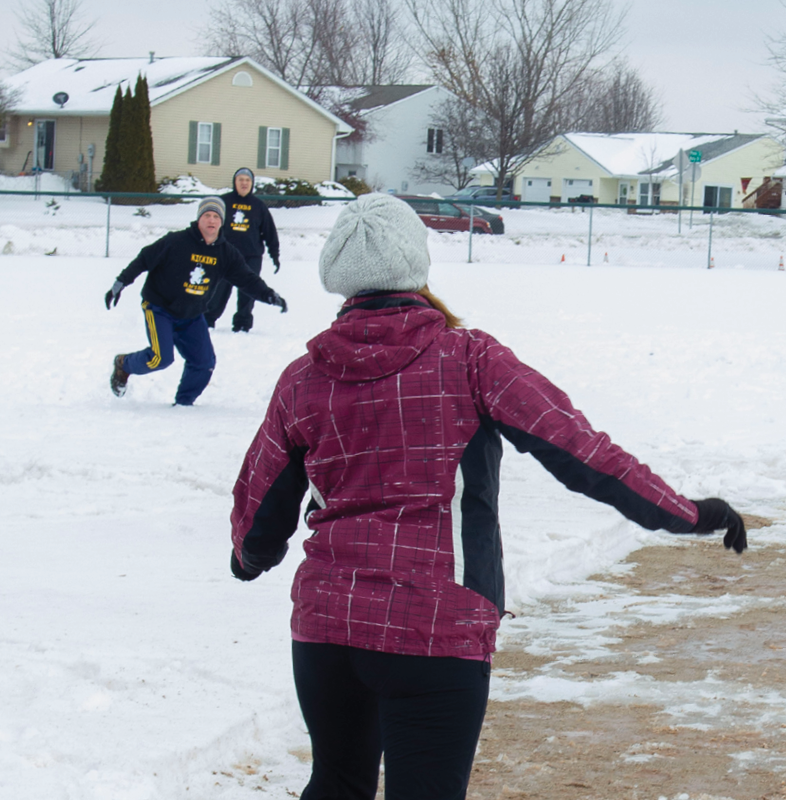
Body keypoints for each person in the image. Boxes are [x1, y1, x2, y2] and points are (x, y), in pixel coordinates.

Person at [226, 193, 748, 800]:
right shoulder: (469, 358)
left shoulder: (304, 378)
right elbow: (577, 447)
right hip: (435, 627)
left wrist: (249, 557)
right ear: (416, 267)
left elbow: (261, 497)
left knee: (337, 784)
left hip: (328, 631)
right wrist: (683, 513)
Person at [105, 196, 288, 406]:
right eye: (207, 215)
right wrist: (120, 283)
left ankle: (183, 404)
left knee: (204, 363)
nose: (211, 220)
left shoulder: (226, 253)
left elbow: (247, 279)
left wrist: (269, 295)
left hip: (191, 315)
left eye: (216, 216)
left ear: (222, 221)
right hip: (159, 307)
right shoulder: (176, 241)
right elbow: (144, 259)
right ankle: (123, 364)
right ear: (199, 219)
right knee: (160, 358)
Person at [205, 167, 282, 332]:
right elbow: (209, 226)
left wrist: (274, 255)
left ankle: (242, 323)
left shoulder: (259, 206)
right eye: (241, 180)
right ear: (235, 182)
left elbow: (269, 232)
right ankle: (208, 321)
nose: (244, 183)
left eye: (247, 180)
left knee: (248, 292)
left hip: (251, 257)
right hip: (226, 256)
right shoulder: (223, 202)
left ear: (252, 184)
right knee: (218, 291)